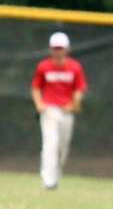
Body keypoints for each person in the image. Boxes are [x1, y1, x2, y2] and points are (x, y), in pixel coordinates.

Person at [31, 31, 87, 190]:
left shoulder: (75, 67)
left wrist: (74, 103)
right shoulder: (43, 66)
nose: (58, 51)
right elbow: (36, 87)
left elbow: (79, 89)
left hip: (67, 111)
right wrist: (39, 103)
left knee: (62, 147)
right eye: (55, 48)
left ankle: (55, 176)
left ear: (67, 49)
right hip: (49, 110)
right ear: (50, 49)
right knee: (50, 144)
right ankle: (48, 180)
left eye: (60, 48)